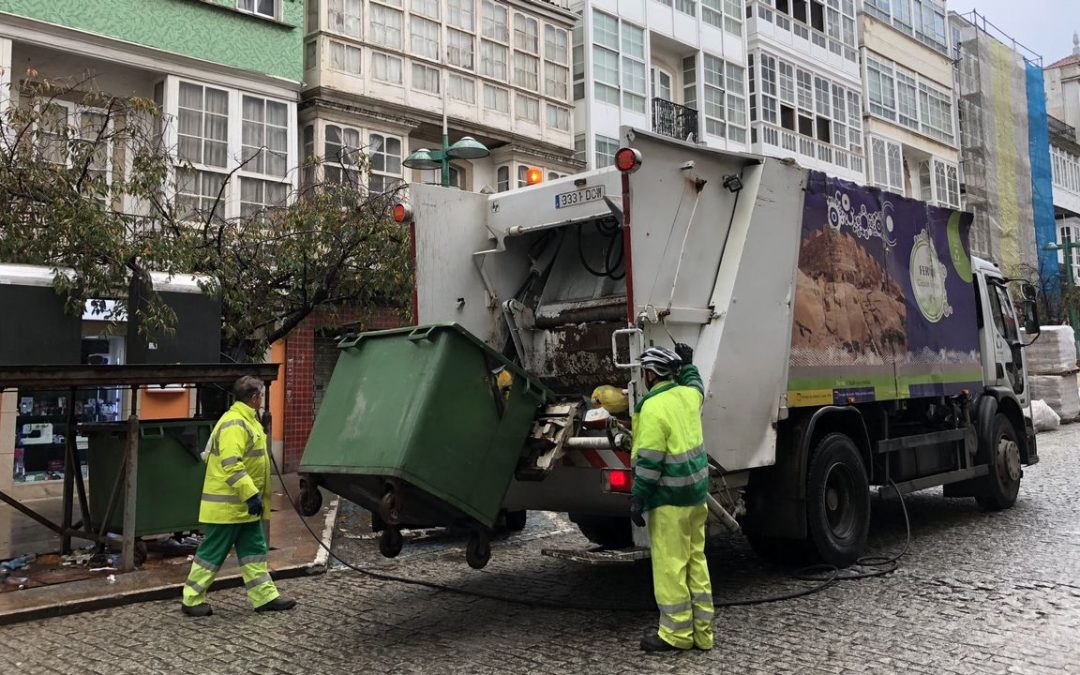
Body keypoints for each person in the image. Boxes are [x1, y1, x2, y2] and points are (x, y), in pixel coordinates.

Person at [181, 376, 296, 616]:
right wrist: (251, 495)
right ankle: (191, 599)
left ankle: (265, 596)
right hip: (229, 508)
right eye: (261, 396)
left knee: (254, 551)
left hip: (243, 507)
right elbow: (232, 464)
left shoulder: (247, 420)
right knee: (211, 554)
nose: (262, 400)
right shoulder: (235, 423)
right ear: (254, 398)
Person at [630, 344, 713, 653]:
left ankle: (675, 635)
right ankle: (703, 633)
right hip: (696, 497)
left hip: (668, 500)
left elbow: (650, 461)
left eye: (644, 372)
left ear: (651, 374)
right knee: (696, 560)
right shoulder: (688, 397)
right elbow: (697, 385)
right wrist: (689, 365)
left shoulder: (652, 407)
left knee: (670, 566)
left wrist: (638, 498)